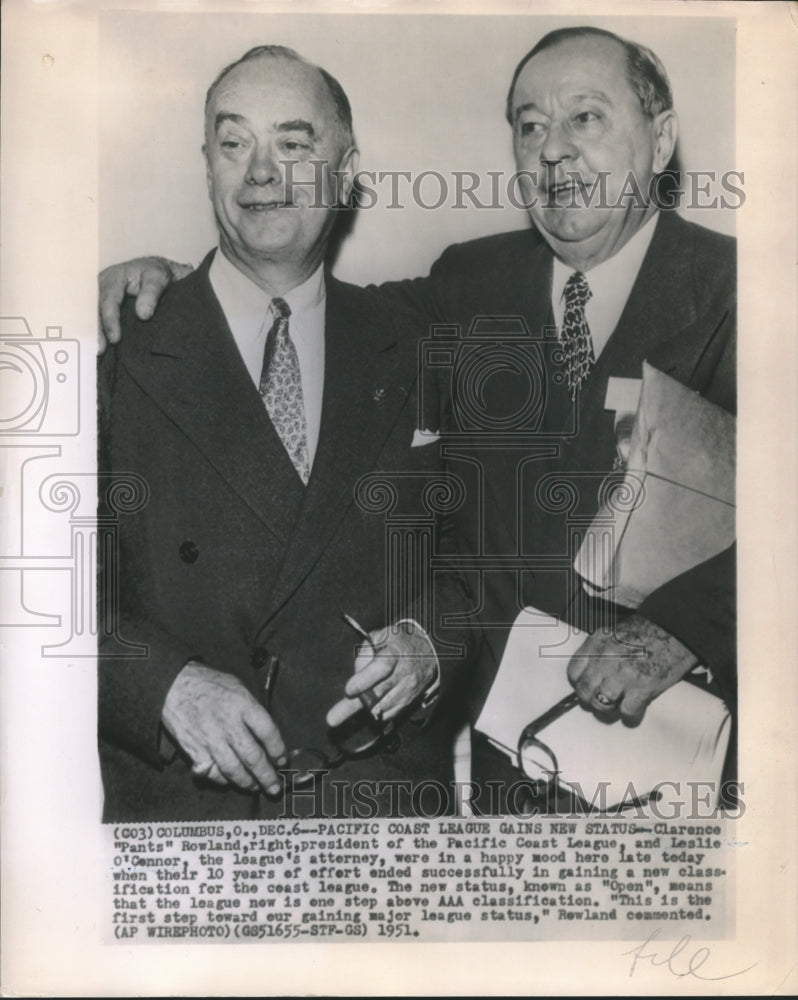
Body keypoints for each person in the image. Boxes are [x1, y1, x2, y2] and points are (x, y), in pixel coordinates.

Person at [99, 27, 736, 811]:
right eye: (530, 126)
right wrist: (163, 284)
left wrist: (684, 628)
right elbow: (300, 309)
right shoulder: (472, 282)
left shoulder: (750, 291)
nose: (553, 151)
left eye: (586, 118)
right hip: (516, 767)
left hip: (681, 752)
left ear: (662, 138)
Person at [98, 45, 473, 822]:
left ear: (347, 170)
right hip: (190, 818)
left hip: (384, 812)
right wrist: (163, 683)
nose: (260, 171)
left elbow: (483, 555)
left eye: (293, 144)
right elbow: (43, 595)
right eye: (234, 143)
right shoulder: (115, 348)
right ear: (208, 166)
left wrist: (431, 642)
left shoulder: (417, 339)